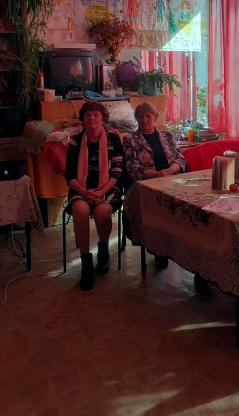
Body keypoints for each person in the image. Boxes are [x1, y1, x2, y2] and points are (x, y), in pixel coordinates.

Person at [65, 102, 123, 291]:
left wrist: (101, 191)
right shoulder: (75, 141)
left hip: (107, 187)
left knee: (102, 212)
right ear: (82, 119)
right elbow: (69, 175)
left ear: (103, 118)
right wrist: (84, 192)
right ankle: (86, 263)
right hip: (80, 188)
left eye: (96, 114)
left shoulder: (113, 139)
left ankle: (103, 250)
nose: (92, 118)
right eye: (88, 114)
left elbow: (117, 171)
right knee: (80, 210)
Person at [123, 102, 186, 269]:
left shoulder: (168, 136)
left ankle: (184, 245)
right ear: (136, 119)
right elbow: (132, 166)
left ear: (155, 117)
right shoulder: (130, 139)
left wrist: (169, 171)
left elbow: (180, 158)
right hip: (147, 184)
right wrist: (157, 175)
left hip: (171, 180)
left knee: (188, 207)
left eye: (148, 115)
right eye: (140, 116)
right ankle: (159, 248)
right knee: (159, 207)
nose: (144, 119)